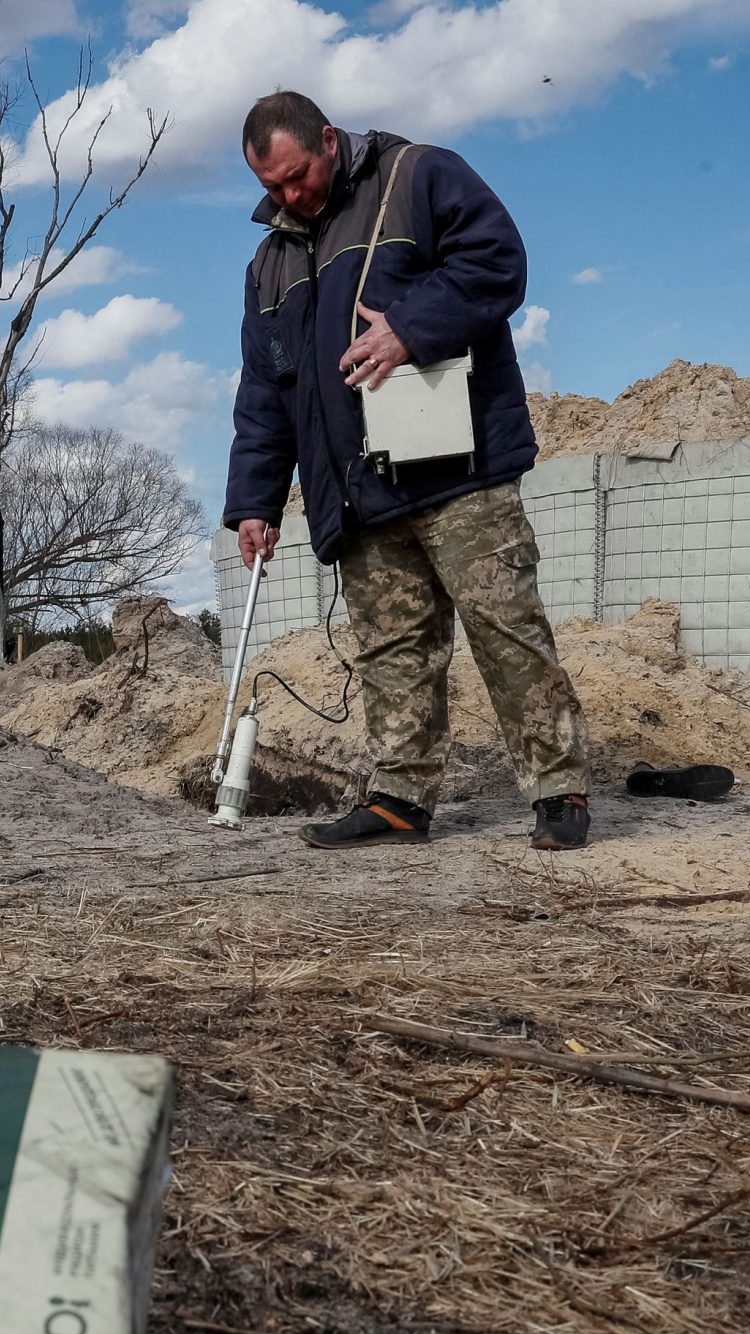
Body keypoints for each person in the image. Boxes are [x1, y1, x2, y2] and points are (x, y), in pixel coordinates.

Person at [224, 90, 592, 851]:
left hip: (459, 467)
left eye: (298, 176)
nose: (290, 196)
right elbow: (266, 391)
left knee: (505, 629)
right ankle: (400, 797)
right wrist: (254, 502)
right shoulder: (268, 265)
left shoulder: (418, 176)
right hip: (357, 491)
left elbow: (498, 261)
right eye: (273, 188)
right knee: (391, 650)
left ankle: (560, 791)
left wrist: (409, 327)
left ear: (329, 140)